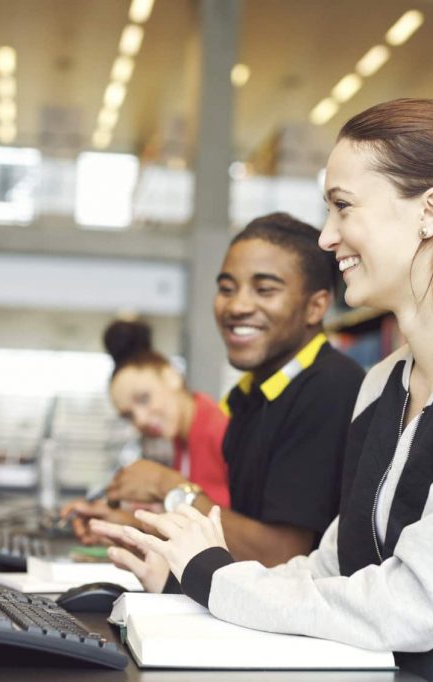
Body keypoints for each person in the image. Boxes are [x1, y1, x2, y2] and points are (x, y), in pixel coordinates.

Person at [92, 99, 433, 680]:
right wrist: (183, 576)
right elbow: (332, 570)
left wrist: (217, 578)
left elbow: (418, 603)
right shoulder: (380, 385)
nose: (325, 237)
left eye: (342, 207)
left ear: (430, 212)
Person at [89, 213, 365, 567]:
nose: (237, 306)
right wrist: (130, 528)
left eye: (265, 289)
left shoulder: (329, 389)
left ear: (316, 306)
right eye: (227, 288)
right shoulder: (249, 397)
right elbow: (236, 531)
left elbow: (280, 557)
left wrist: (169, 487)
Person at [61, 319, 231, 544]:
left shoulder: (216, 431)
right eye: (129, 415)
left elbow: (225, 533)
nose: (140, 419)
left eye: (144, 398)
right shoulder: (184, 441)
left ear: (171, 375)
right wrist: (122, 524)